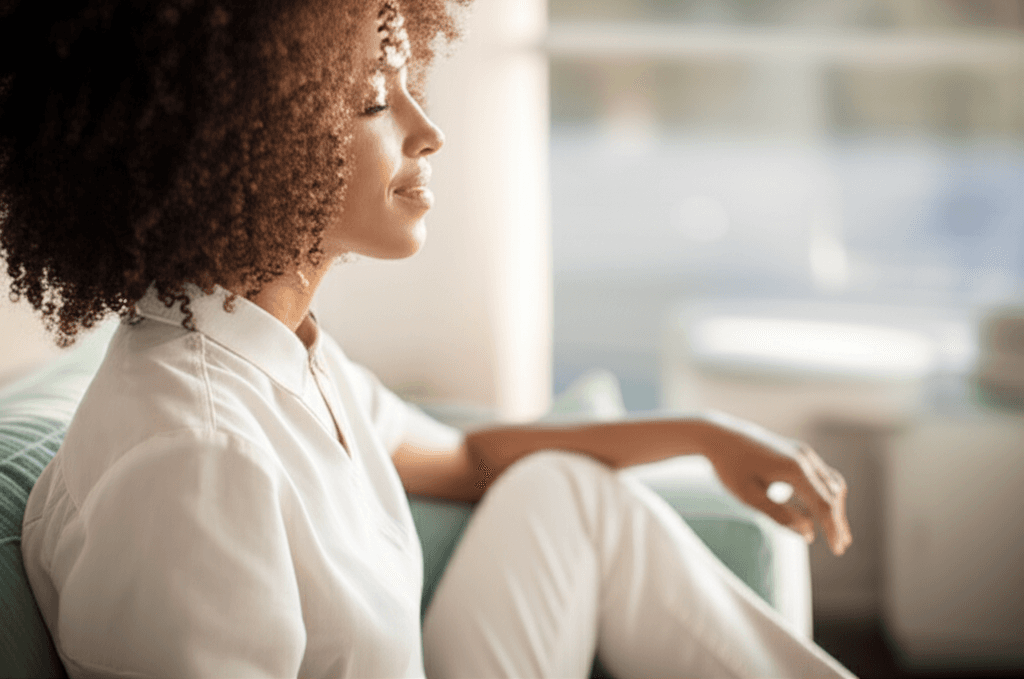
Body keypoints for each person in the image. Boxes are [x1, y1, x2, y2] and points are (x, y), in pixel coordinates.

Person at [1, 0, 855, 677]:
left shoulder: (278, 349)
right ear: (238, 143)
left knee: (564, 490)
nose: (426, 128)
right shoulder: (197, 457)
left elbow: (474, 461)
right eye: (375, 99)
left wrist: (705, 437)